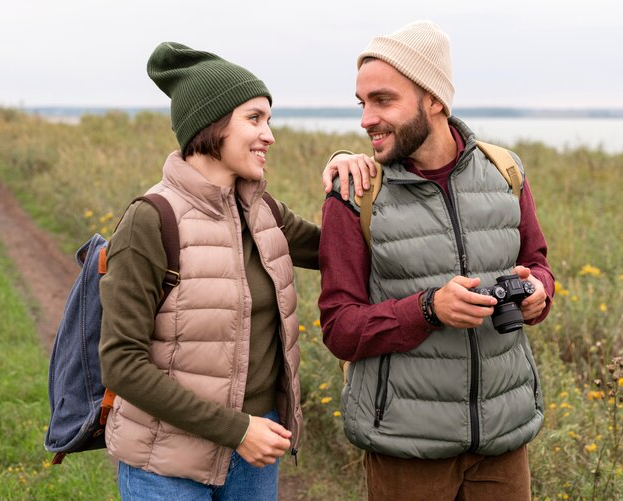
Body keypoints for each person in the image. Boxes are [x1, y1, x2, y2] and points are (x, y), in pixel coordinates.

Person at [98, 42, 365, 500]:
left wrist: (349, 176)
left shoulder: (263, 210)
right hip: (168, 462)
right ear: (212, 124)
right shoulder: (151, 218)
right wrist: (235, 428)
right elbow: (121, 363)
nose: (270, 135)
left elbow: (340, 251)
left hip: (256, 451)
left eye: (270, 120)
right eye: (255, 118)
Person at [319, 21, 555, 500]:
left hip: (503, 442)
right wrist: (428, 309)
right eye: (361, 103)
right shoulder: (355, 194)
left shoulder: (504, 171)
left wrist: (538, 293)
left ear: (435, 100)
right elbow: (339, 329)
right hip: (407, 448)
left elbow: (538, 262)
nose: (366, 119)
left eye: (383, 100)